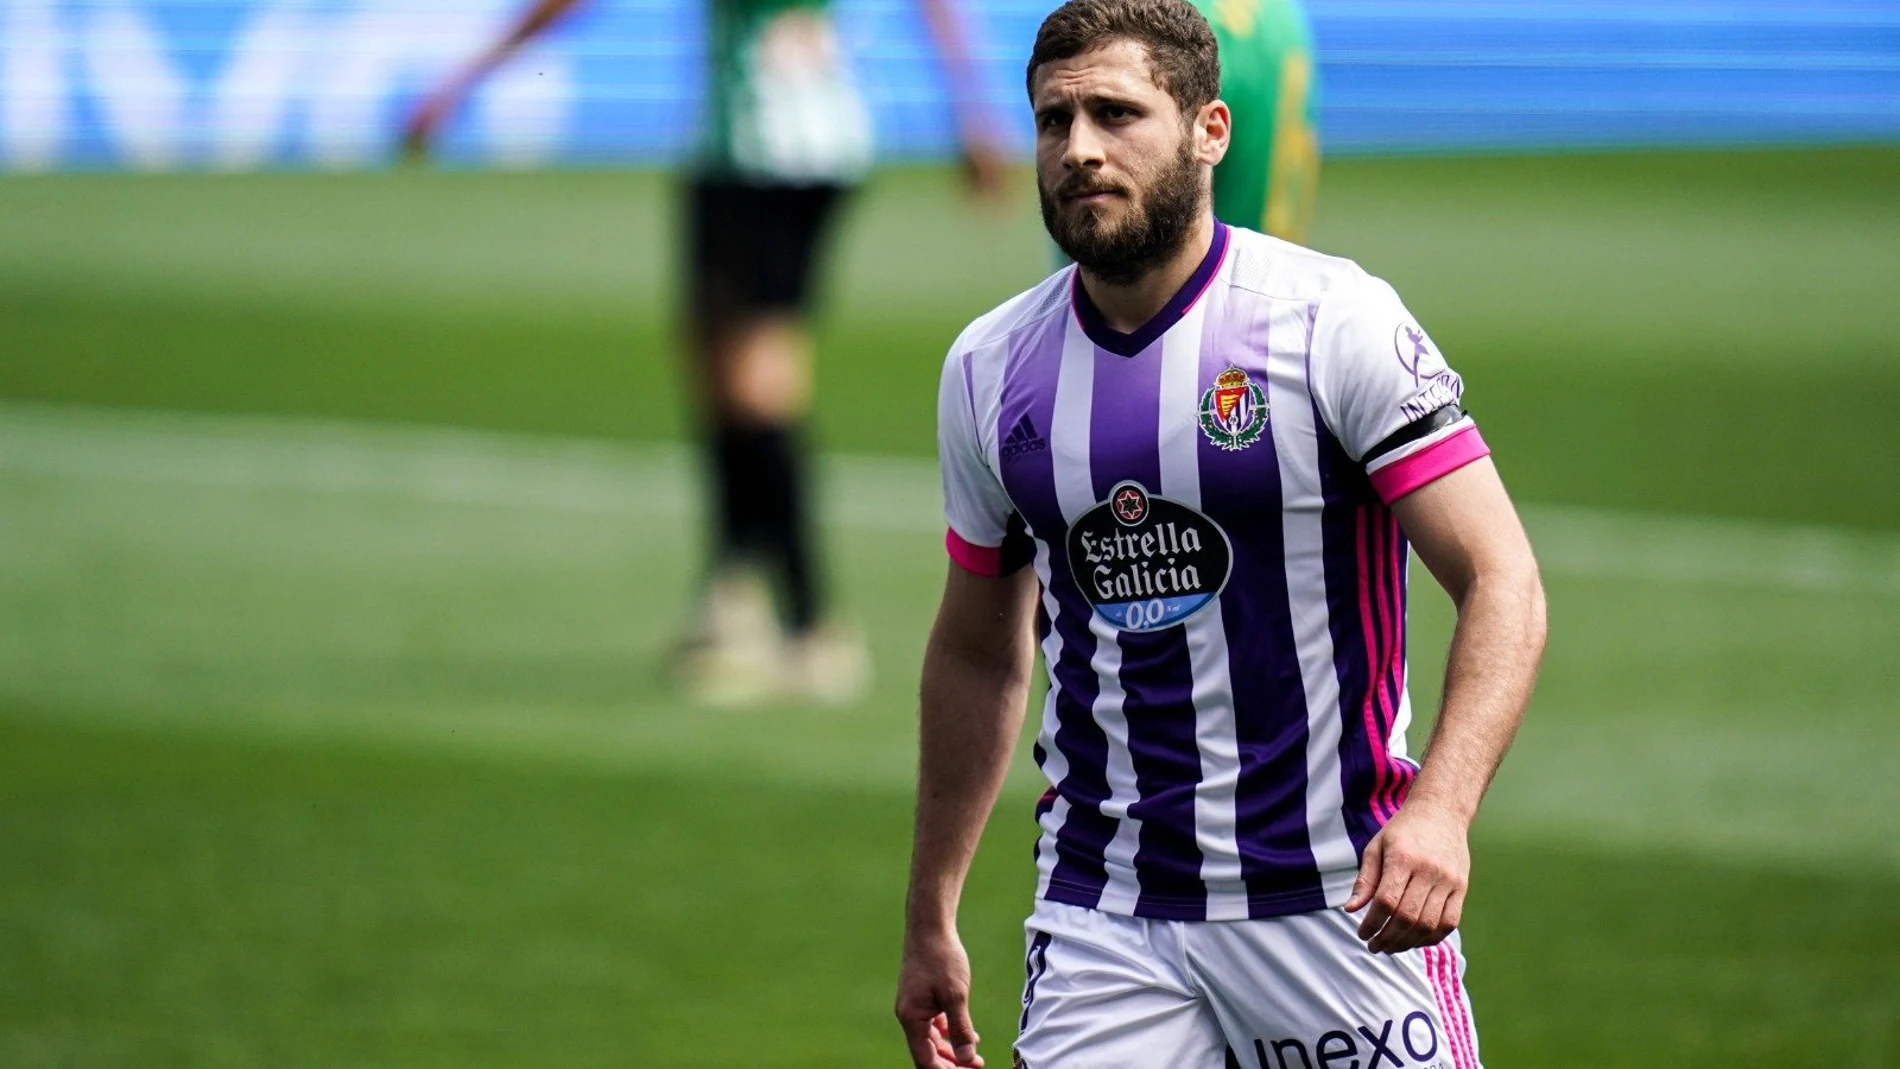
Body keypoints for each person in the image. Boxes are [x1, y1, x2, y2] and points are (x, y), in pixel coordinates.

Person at [894, 2, 1547, 1067]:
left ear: (1209, 130)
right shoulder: (989, 367)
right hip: (1106, 918)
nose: (1079, 149)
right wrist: (931, 910)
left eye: (1116, 113)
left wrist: (1441, 812)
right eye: (1053, 120)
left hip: (1340, 901)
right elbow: (973, 650)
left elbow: (1500, 575)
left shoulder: (1330, 320)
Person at [404, 0, 1007, 706]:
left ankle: (812, 626)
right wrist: (969, 109)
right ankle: (735, 596)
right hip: (754, 145)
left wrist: (466, 78)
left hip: (772, 150)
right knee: (717, 369)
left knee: (754, 378)